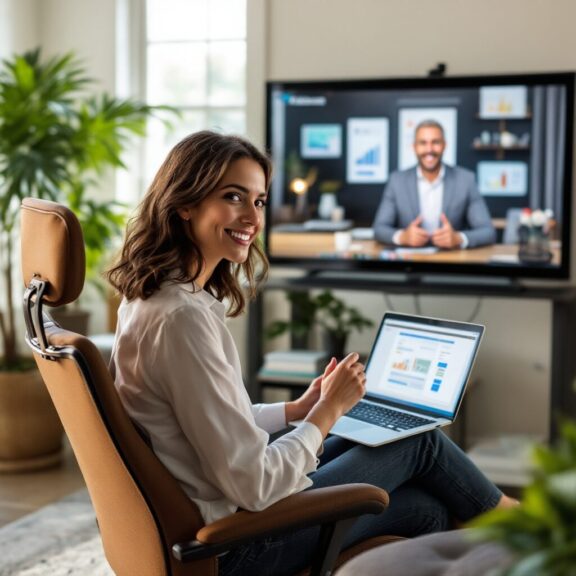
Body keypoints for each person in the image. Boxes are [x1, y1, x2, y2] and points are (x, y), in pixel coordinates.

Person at [107, 131, 516, 576]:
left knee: (419, 491)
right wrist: (326, 412)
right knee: (418, 446)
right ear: (184, 203)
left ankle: (509, 532)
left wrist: (297, 410)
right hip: (235, 547)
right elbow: (255, 483)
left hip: (212, 519)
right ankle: (526, 529)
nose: (252, 217)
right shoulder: (181, 320)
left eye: (259, 201)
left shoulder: (152, 299)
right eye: (233, 197)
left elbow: (206, 422)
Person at [373, 120, 496, 249]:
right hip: (410, 263)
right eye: (423, 143)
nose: (429, 149)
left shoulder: (466, 180)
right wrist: (402, 237)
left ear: (444, 145)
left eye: (435, 142)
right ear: (414, 147)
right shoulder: (397, 181)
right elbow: (379, 229)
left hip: (450, 262)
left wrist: (458, 238)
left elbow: (488, 232)